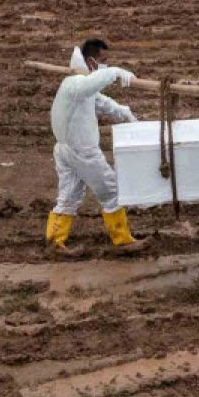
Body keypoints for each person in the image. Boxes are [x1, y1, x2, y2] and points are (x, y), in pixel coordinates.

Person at [44, 39, 147, 258]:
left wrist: (124, 112)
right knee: (111, 192)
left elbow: (101, 101)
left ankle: (55, 241)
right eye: (104, 62)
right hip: (82, 152)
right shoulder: (75, 84)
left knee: (69, 196)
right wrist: (115, 73)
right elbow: (91, 86)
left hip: (66, 150)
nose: (106, 66)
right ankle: (122, 240)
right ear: (91, 62)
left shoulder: (77, 87)